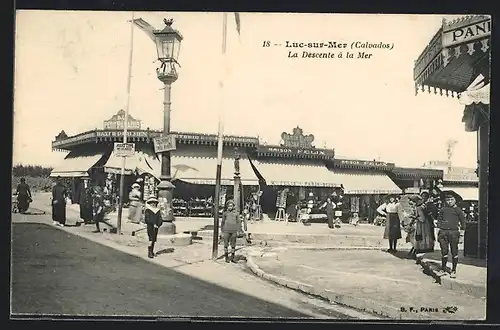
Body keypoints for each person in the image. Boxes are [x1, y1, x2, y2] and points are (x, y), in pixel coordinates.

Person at [436, 193, 466, 278]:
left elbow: (463, 223)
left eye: (451, 200)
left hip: (454, 233)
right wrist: (438, 232)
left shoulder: (458, 210)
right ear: (445, 201)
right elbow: (439, 221)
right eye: (448, 200)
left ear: (455, 200)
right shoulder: (443, 209)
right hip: (443, 233)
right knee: (444, 252)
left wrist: (461, 235)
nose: (449, 202)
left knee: (454, 252)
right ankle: (443, 269)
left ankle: (453, 270)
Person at [407, 195, 435, 260]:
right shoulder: (423, 206)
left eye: (412, 202)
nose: (412, 204)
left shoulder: (419, 208)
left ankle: (416, 253)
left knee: (419, 238)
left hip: (422, 225)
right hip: (426, 225)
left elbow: (422, 219)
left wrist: (413, 217)